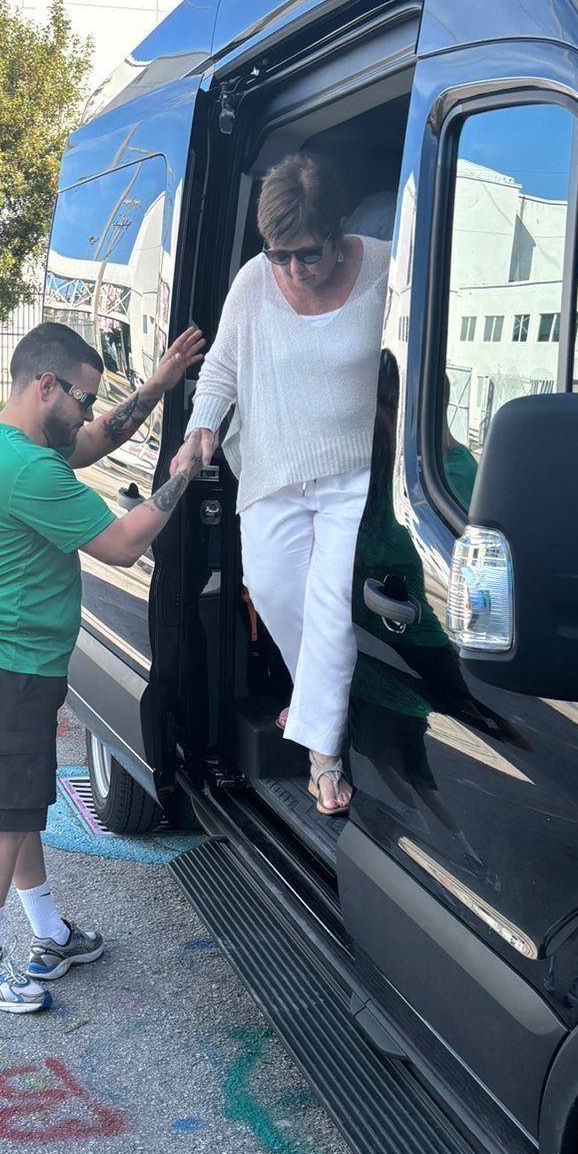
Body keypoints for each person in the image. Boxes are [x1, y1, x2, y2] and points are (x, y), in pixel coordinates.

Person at [0, 318, 204, 1012]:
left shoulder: (2, 436)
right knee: (5, 815)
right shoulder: (24, 469)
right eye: (83, 398)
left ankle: (49, 933)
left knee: (22, 801)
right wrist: (180, 478)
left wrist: (156, 386)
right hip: (5, 665)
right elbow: (119, 546)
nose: (88, 414)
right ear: (45, 385)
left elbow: (91, 441)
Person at [174, 152, 388, 816]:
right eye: (280, 255)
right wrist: (200, 429)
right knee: (269, 585)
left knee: (330, 601)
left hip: (355, 468)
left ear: (340, 228)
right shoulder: (254, 283)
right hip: (277, 467)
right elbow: (221, 371)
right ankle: (320, 699)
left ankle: (323, 751)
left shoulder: (385, 267)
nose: (294, 269)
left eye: (309, 253)